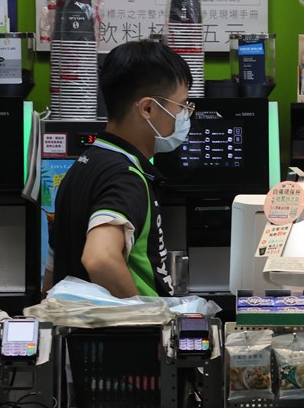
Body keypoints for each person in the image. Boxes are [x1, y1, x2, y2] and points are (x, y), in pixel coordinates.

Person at [43, 40, 193, 298]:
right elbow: (100, 259)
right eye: (181, 106)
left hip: (78, 323)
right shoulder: (125, 177)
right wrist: (143, 316)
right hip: (122, 326)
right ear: (148, 108)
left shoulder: (82, 166)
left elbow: (51, 277)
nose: (185, 115)